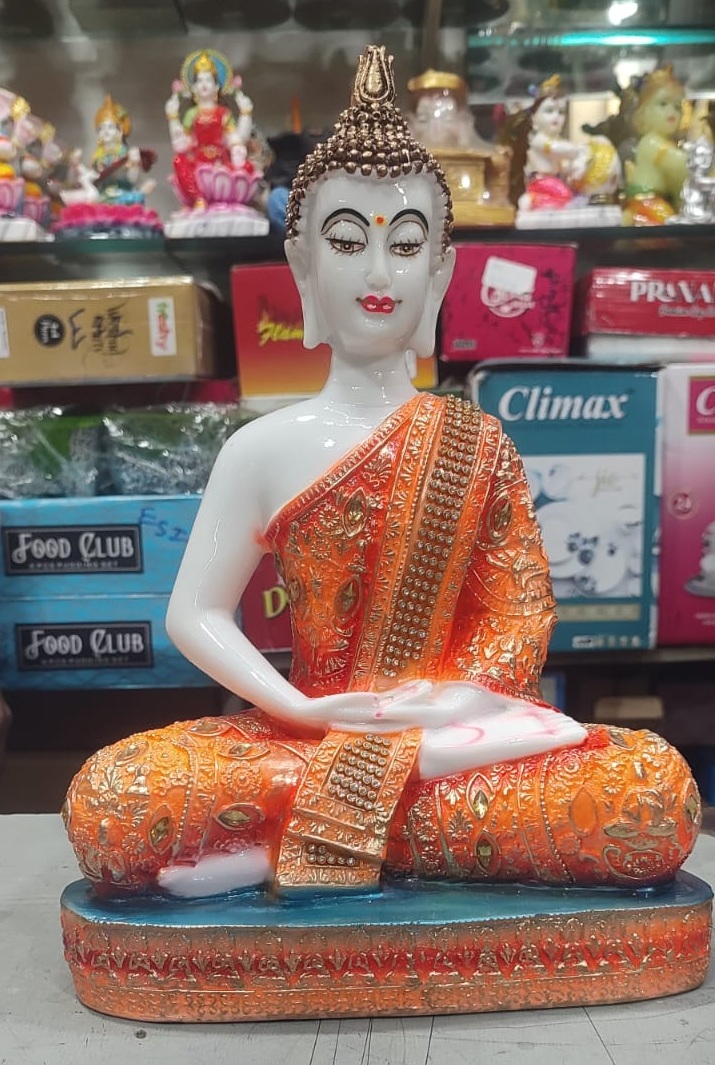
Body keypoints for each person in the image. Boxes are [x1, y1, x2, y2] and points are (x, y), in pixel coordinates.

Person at [64, 46, 700, 901]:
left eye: (404, 245)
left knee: (647, 796)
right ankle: (368, 828)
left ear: (439, 270)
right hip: (305, 733)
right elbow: (195, 613)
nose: (376, 273)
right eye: (345, 240)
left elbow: (516, 618)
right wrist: (299, 708)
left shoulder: (477, 442)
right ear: (302, 265)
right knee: (113, 801)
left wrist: (446, 707)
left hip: (450, 741)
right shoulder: (261, 446)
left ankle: (284, 837)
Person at [165, 48, 254, 209]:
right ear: (193, 87)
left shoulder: (224, 113)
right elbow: (181, 145)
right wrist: (173, 117)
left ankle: (227, 199)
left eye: (208, 80)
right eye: (199, 80)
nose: (204, 84)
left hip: (221, 163)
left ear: (217, 86)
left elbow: (235, 139)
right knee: (178, 161)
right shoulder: (192, 114)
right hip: (199, 164)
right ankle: (197, 198)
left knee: (246, 167)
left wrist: (245, 114)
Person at [624, 66, 689, 225]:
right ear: (644, 112)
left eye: (677, 107)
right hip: (646, 205)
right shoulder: (651, 143)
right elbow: (681, 163)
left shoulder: (666, 142)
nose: (671, 112)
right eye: (663, 104)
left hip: (660, 201)